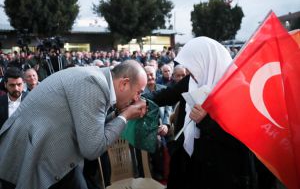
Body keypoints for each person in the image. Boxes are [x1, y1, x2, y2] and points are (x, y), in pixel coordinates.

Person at [0, 60, 147, 189]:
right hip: (30, 157)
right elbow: (92, 149)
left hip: (57, 157)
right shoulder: (95, 83)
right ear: (124, 83)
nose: (137, 99)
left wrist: (117, 115)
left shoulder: (97, 78)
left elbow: (92, 123)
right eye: (138, 92)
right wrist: (125, 116)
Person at [146, 37, 254, 189]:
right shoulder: (192, 81)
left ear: (207, 63)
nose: (189, 72)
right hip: (190, 160)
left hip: (221, 170)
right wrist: (140, 98)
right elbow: (167, 95)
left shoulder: (237, 89)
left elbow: (241, 141)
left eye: (193, 66)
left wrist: (205, 121)